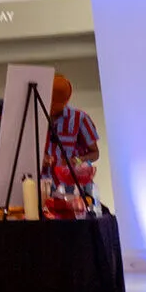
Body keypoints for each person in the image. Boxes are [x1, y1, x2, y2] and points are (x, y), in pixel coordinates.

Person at [45, 74, 101, 220]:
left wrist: (76, 160)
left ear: (65, 101)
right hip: (45, 186)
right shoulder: (36, 118)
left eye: (55, 105)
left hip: (74, 188)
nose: (51, 109)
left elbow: (95, 153)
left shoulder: (79, 118)